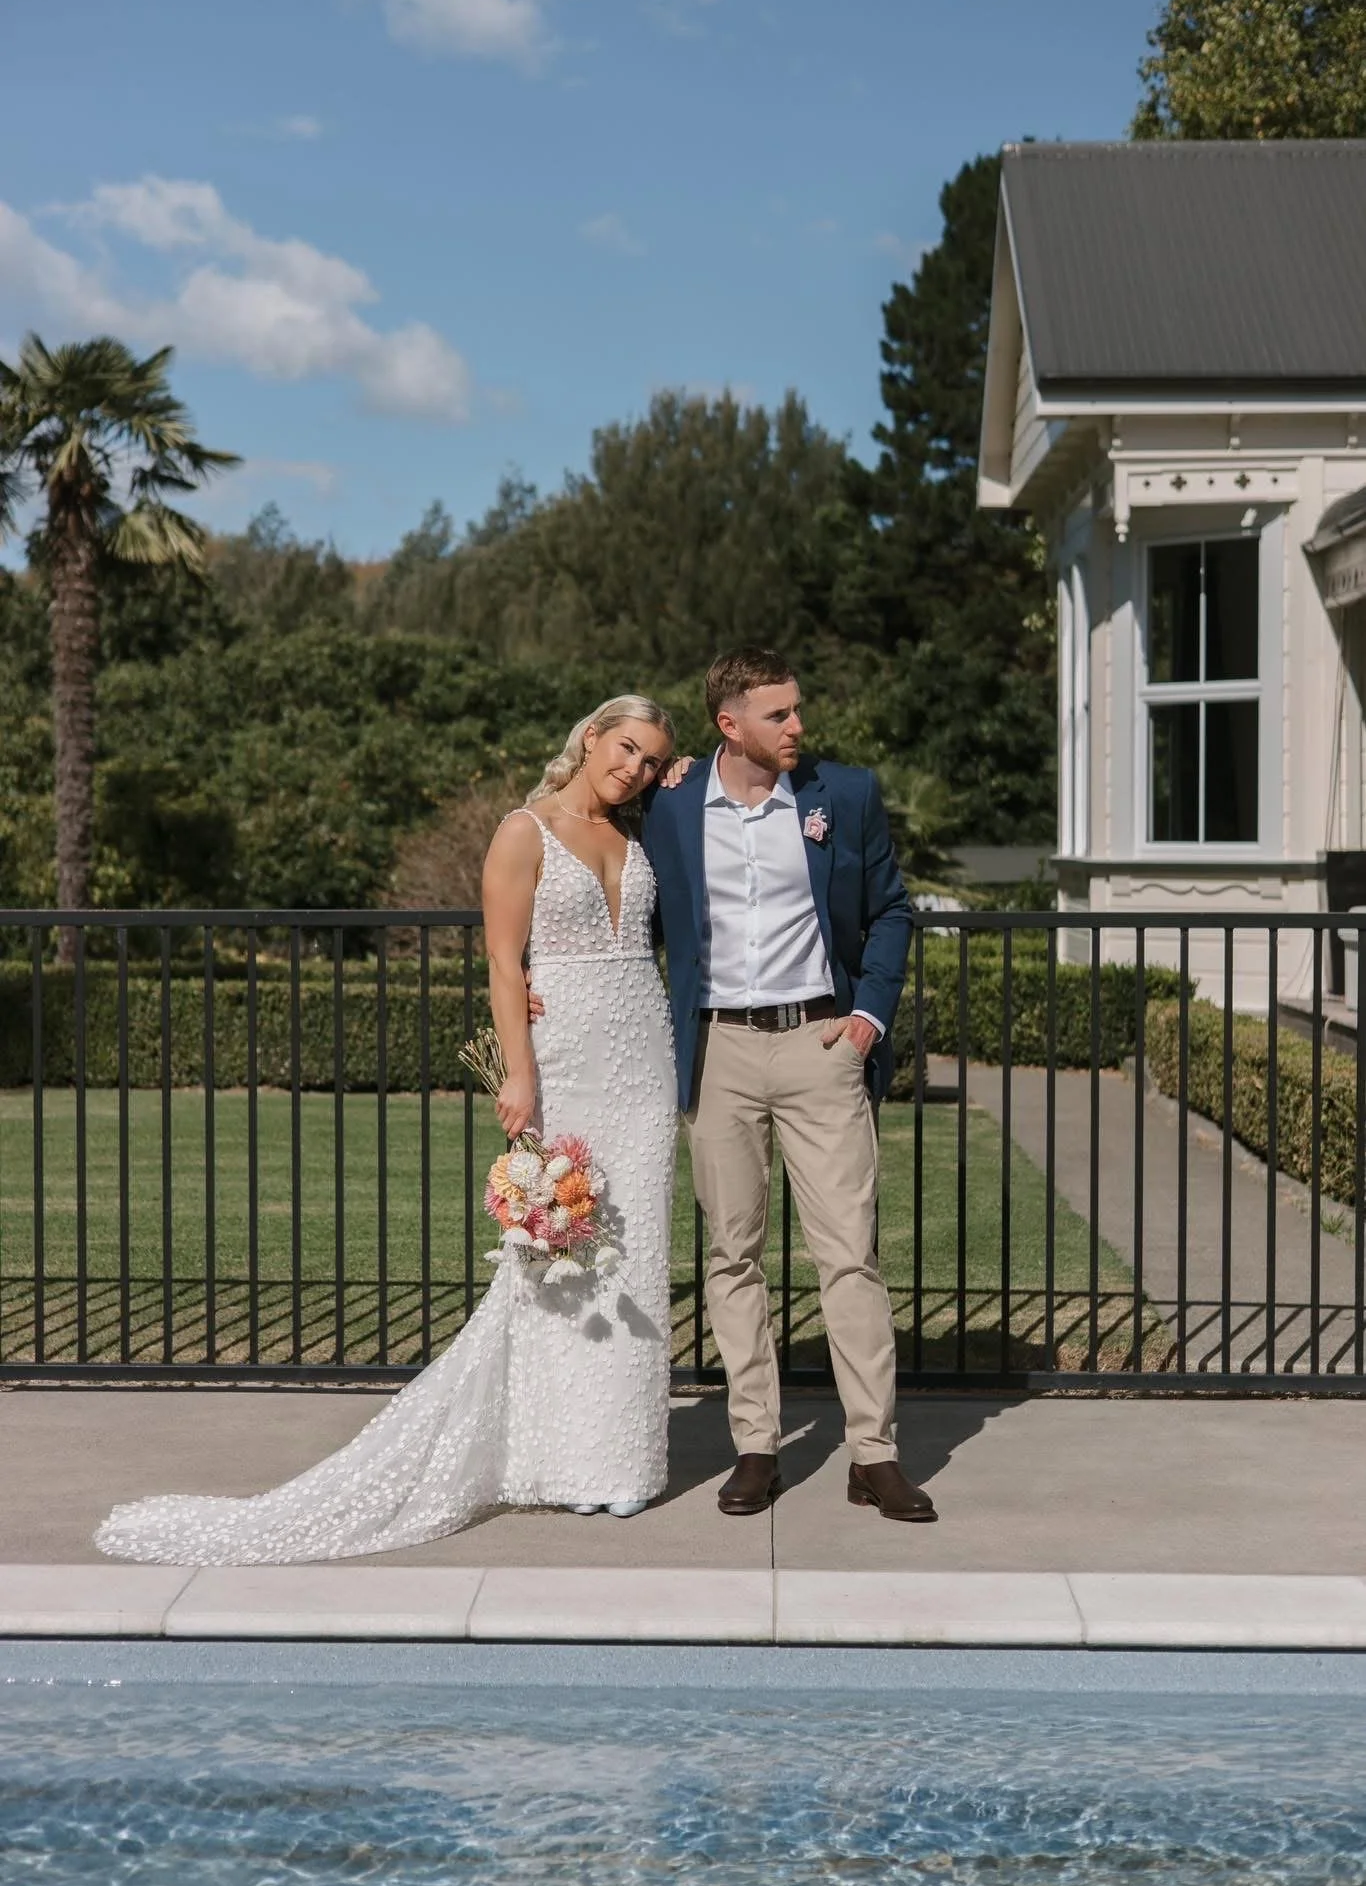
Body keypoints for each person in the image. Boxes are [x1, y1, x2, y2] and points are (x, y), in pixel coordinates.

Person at [95, 696, 678, 1564]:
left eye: (650, 761)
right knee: (561, 1247)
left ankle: (620, 1454)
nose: (632, 768)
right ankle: (561, 1456)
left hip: (645, 1056)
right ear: (591, 736)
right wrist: (518, 1073)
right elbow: (503, 961)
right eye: (625, 748)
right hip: (566, 1062)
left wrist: (689, 774)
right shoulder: (523, 832)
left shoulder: (645, 835)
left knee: (635, 1250)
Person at [641, 647, 936, 1523]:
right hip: (718, 1051)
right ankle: (756, 1446)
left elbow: (890, 909)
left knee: (849, 1255)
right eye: (778, 715)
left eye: (797, 710)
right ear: (729, 724)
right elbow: (597, 862)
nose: (797, 726)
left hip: (819, 1043)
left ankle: (873, 1454)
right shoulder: (670, 803)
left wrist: (867, 1020)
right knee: (733, 1254)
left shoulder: (842, 795)